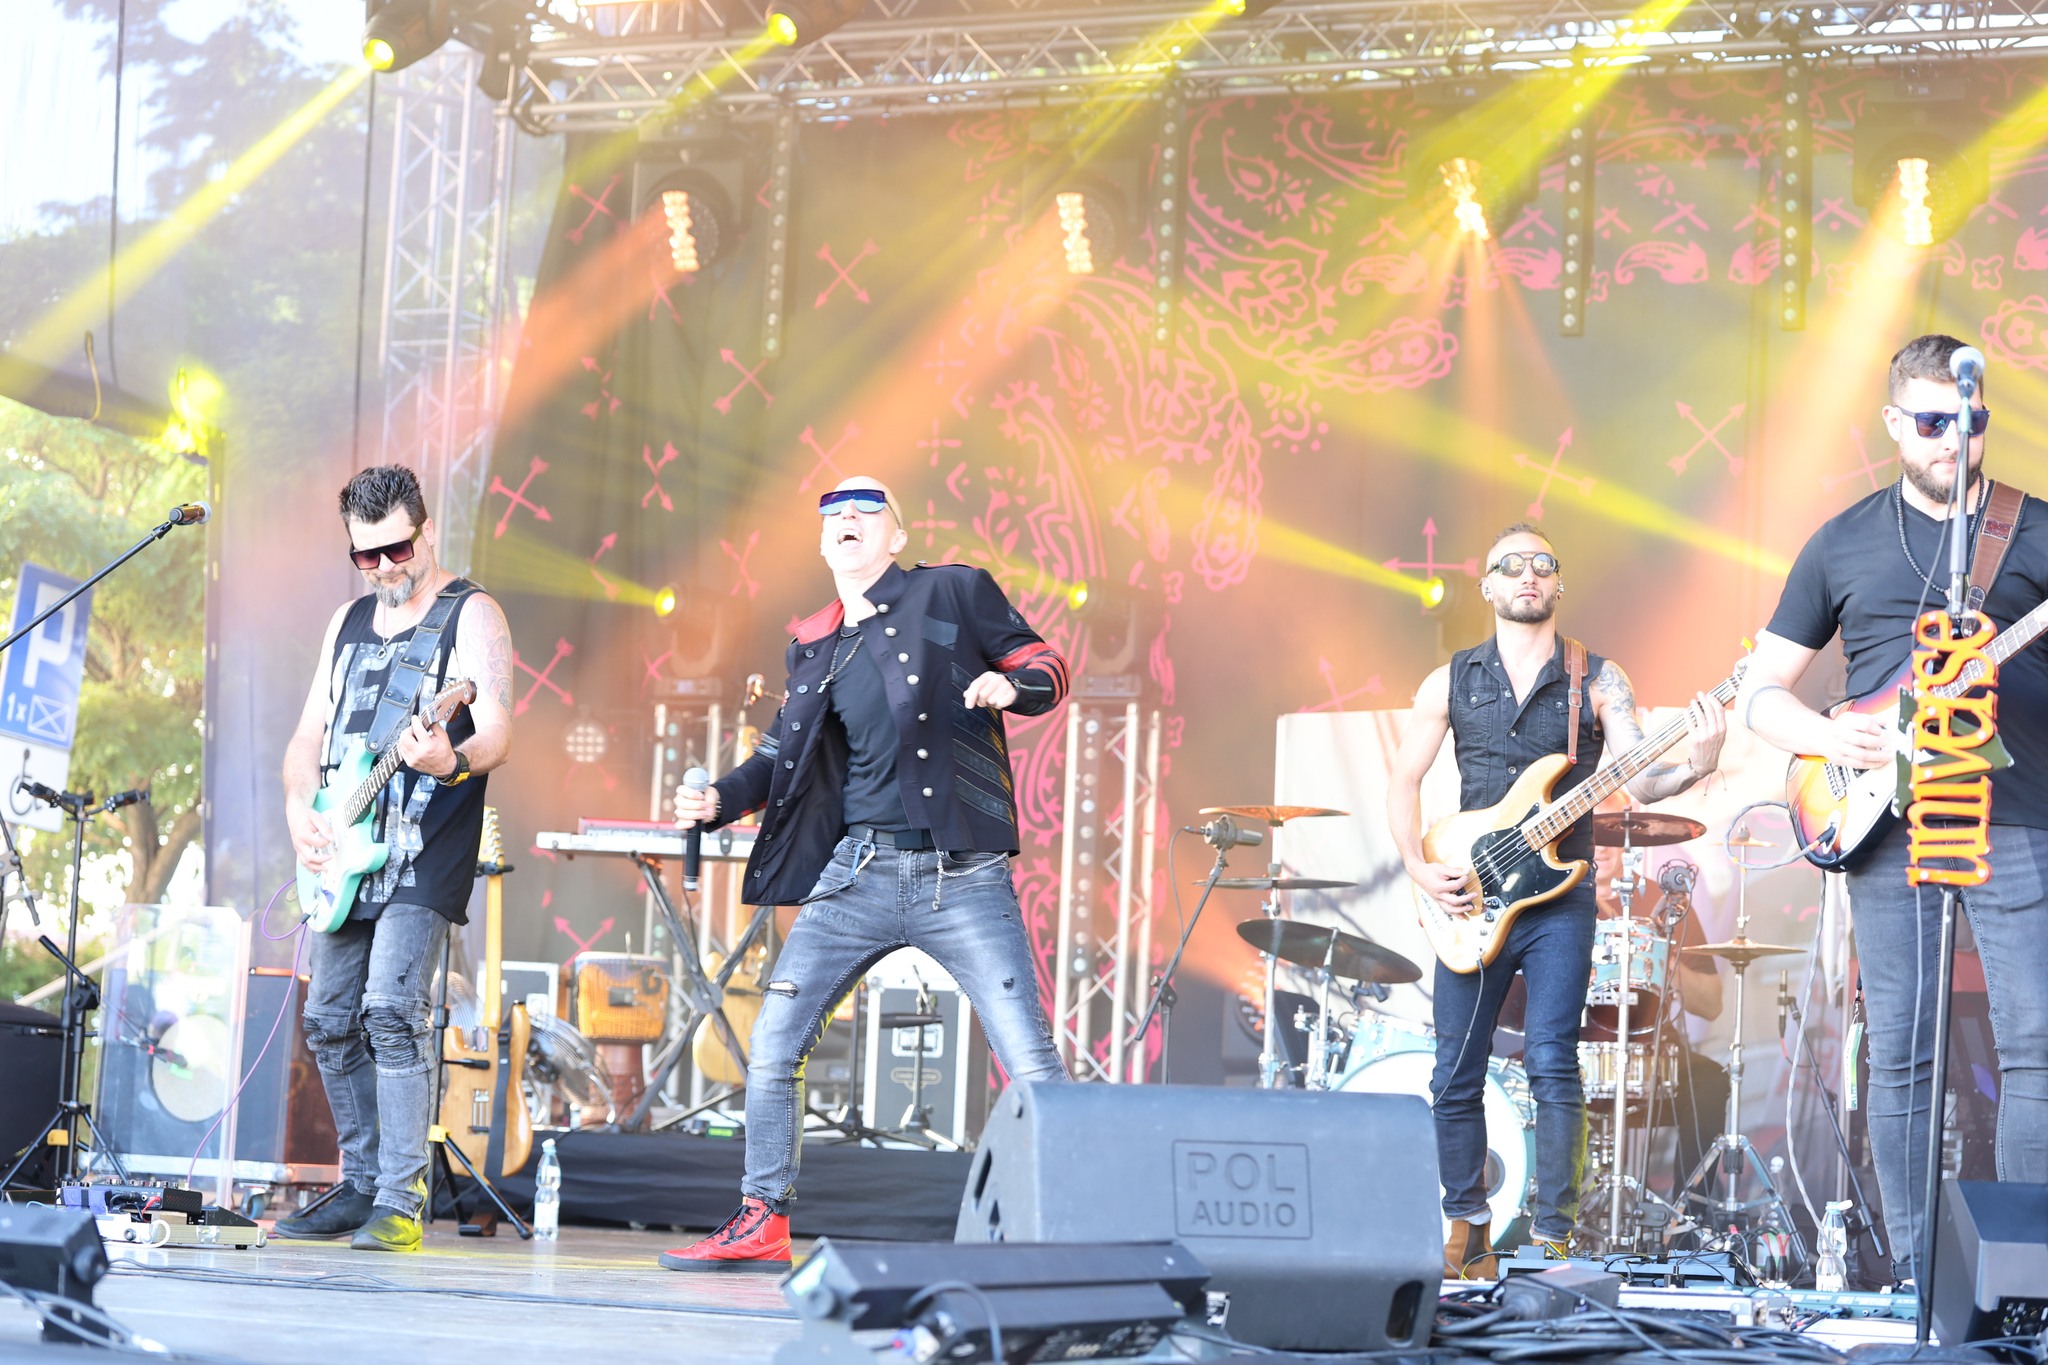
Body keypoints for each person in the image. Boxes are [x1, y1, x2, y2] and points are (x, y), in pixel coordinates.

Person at [660, 476, 1072, 1272]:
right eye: (834, 515)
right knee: (774, 1041)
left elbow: (1046, 663)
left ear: (896, 535)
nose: (847, 519)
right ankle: (763, 1217)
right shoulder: (815, 643)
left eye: (865, 511)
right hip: (857, 874)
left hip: (961, 874)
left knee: (1027, 1054)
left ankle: (1068, 1230)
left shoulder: (952, 592)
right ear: (824, 543)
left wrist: (1010, 685)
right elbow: (779, 755)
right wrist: (718, 800)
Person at [1738, 333, 2048, 1282]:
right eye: (1933, 422)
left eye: (1971, 420)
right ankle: (1916, 1275)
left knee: (2037, 1043)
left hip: (2016, 810)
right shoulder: (1840, 541)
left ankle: (2031, 1276)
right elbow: (1761, 694)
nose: (1955, 438)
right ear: (1893, 423)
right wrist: (1833, 739)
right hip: (1883, 820)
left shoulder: (2034, 529)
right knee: (1903, 1053)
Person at [1387, 522, 1726, 1278]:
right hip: (1469, 892)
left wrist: (1696, 766)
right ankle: (1467, 1226)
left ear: (1558, 582)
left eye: (1542, 563)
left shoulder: (1597, 677)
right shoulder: (1449, 680)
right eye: (1510, 565)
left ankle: (1554, 1237)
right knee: (1453, 1072)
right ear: (1487, 585)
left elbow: (1643, 777)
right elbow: (1403, 781)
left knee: (1552, 1061)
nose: (1527, 574)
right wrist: (1416, 865)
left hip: (1560, 897)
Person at [276, 466, 514, 1252]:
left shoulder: (472, 614)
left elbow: (497, 731)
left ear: (427, 530)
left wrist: (451, 758)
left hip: (424, 847)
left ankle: (403, 1197)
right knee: (327, 1019)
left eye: (397, 550)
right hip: (343, 849)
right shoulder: (345, 623)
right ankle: (361, 1181)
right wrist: (298, 808)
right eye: (365, 555)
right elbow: (307, 736)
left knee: (390, 1009)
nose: (383, 567)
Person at [1585, 795, 1729, 1193]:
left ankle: (1688, 1214)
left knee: (1709, 1082)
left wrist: (1658, 956)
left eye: (1613, 833)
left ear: (1631, 840)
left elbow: (1711, 1004)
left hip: (1653, 1054)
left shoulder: (1666, 905)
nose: (1603, 846)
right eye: (1595, 832)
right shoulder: (1555, 901)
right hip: (1574, 1052)